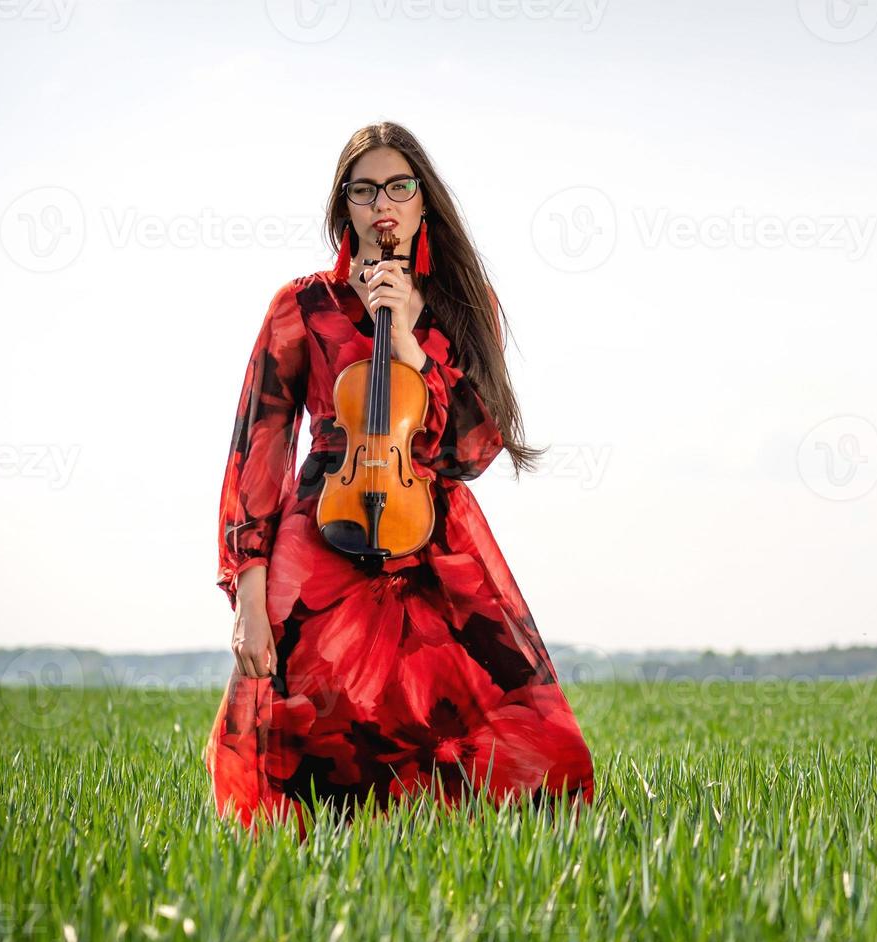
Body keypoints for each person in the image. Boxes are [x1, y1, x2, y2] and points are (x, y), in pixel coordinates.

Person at [202, 122, 595, 838]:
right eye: (364, 189)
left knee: (529, 732)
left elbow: (474, 449)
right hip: (325, 521)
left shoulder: (461, 304)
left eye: (399, 186)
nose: (382, 202)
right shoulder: (301, 308)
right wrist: (249, 591)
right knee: (303, 727)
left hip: (433, 522)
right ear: (343, 207)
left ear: (423, 202)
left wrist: (411, 338)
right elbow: (256, 448)